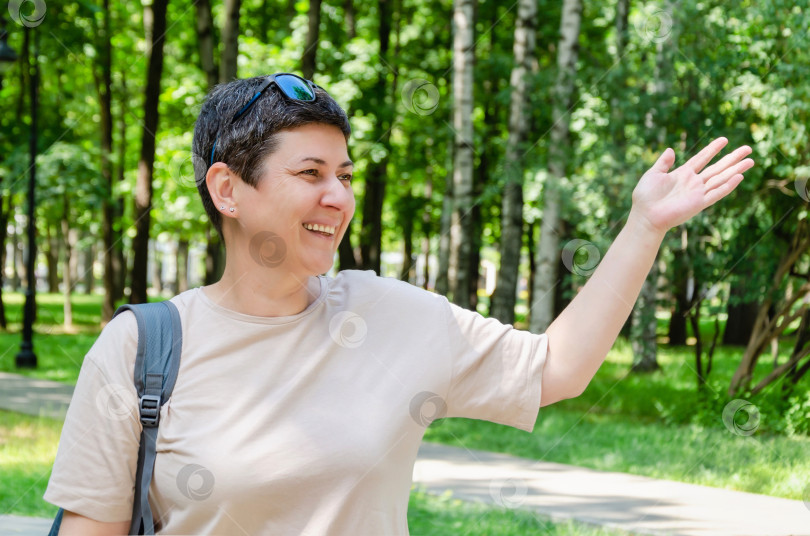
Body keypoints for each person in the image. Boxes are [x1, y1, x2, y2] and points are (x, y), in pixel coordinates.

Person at [44, 73, 754, 535]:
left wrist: (643, 226)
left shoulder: (389, 315)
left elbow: (557, 368)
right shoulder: (142, 349)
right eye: (310, 173)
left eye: (345, 174)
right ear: (228, 190)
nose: (339, 197)